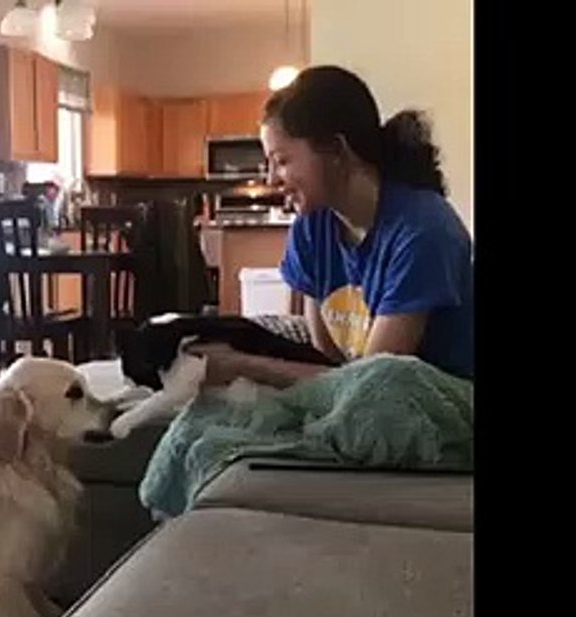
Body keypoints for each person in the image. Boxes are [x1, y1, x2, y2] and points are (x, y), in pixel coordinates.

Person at [190, 65, 474, 387]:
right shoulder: (312, 227)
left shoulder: (424, 231)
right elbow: (326, 356)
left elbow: (374, 384)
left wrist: (241, 367)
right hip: (362, 390)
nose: (271, 180)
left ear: (336, 150)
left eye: (282, 161)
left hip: (441, 407)